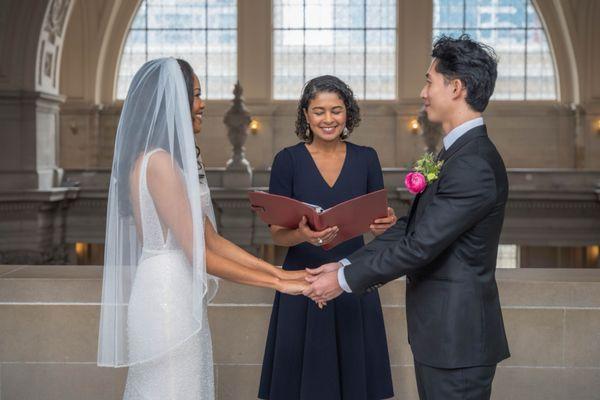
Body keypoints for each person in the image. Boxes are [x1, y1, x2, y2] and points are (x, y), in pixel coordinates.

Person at [305, 35, 511, 400]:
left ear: (456, 87)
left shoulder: (473, 164)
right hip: (442, 339)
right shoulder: (456, 155)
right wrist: (344, 263)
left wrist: (344, 281)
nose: (423, 92)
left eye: (430, 81)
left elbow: (419, 247)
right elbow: (410, 228)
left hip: (457, 342)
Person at [97, 58, 307, 400]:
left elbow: (211, 239)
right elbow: (199, 254)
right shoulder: (160, 163)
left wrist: (281, 273)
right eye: (195, 94)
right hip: (166, 297)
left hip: (172, 290)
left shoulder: (163, 159)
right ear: (172, 101)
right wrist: (279, 284)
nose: (202, 103)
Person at [258, 75, 397, 400]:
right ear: (305, 114)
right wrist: (302, 234)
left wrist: (383, 226)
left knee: (356, 383)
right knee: (299, 387)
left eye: (336, 110)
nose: (328, 119)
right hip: (301, 283)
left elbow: (378, 223)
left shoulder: (367, 158)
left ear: (348, 113)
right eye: (319, 111)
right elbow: (278, 236)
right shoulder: (287, 160)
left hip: (353, 281)